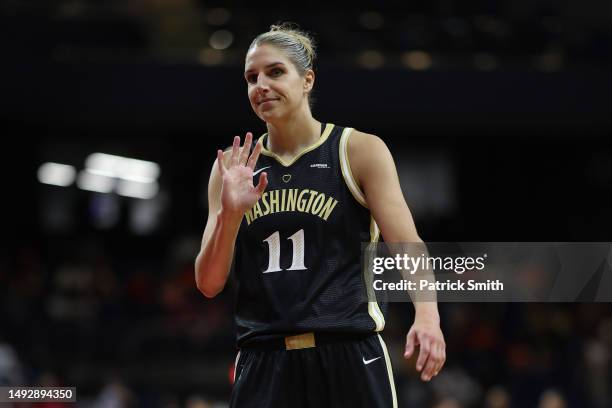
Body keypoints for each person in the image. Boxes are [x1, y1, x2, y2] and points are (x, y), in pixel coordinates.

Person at [194, 22, 446, 408]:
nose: (260, 84)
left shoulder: (358, 149)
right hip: (264, 357)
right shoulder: (232, 168)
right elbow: (209, 283)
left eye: (275, 72)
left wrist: (427, 315)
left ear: (307, 79)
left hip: (349, 351)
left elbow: (405, 242)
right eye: (251, 77)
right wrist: (230, 215)